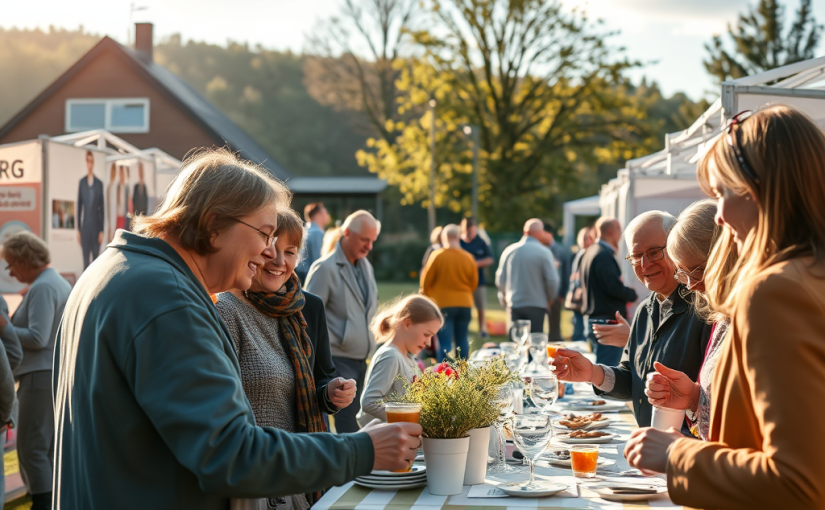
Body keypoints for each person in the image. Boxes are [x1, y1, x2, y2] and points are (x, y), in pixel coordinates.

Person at [53, 149, 421, 510]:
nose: (269, 253)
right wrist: (364, 449)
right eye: (264, 234)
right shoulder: (170, 301)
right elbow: (231, 455)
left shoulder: (114, 270)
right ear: (214, 227)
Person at [624, 106, 825, 509]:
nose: (720, 215)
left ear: (762, 190)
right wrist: (700, 398)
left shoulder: (775, 291)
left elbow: (799, 482)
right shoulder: (807, 276)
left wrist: (674, 455)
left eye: (722, 193)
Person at [217, 208, 356, 508]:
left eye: (290, 251)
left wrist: (331, 393)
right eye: (271, 249)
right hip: (259, 481)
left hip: (303, 472)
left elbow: (320, 379)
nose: (280, 261)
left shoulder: (305, 308)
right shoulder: (225, 310)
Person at [552, 211, 711, 427]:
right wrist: (592, 372)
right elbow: (632, 380)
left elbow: (717, 399)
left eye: (655, 252)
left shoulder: (705, 308)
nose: (645, 264)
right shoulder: (645, 309)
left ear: (676, 248)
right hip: (651, 447)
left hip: (686, 451)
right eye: (636, 256)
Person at [643, 199, 737, 441]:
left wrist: (680, 454)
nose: (692, 285)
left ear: (724, 259)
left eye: (696, 271)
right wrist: (694, 398)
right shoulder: (724, 316)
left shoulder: (758, 319)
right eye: (683, 274)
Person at [0, 231, 71, 509]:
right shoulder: (55, 282)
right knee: (46, 448)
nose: (11, 272)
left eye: (11, 264)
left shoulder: (43, 287)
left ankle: (43, 503)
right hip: (50, 374)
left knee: (31, 449)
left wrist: (5, 327)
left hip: (38, 376)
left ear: (24, 259)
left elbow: (38, 338)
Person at [306, 210, 380, 433]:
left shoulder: (366, 266)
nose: (369, 246)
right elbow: (307, 319)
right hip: (337, 361)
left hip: (360, 360)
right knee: (347, 425)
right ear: (347, 233)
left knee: (357, 423)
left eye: (372, 241)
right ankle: (350, 468)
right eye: (364, 240)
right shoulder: (324, 268)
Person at [358, 295, 443, 425]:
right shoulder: (391, 357)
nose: (428, 342)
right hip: (385, 440)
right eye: (426, 334)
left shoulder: (409, 358)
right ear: (408, 324)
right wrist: (409, 417)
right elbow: (370, 402)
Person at [578, 217, 637, 365]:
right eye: (619, 230)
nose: (620, 235)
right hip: (606, 321)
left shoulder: (591, 251)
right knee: (606, 373)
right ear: (611, 231)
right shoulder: (603, 254)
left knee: (602, 370)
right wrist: (631, 293)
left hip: (595, 318)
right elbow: (612, 287)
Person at [420, 224, 478, 361]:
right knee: (462, 338)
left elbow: (426, 281)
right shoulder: (468, 257)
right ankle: (463, 372)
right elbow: (474, 282)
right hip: (464, 303)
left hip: (443, 304)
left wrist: (426, 298)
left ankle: (444, 374)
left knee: (444, 341)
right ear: (459, 237)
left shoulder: (437, 255)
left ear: (443, 237)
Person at [495, 219, 559, 334]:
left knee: (516, 344)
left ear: (525, 231)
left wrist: (505, 299)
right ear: (540, 232)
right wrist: (549, 299)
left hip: (515, 304)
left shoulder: (510, 251)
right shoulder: (544, 252)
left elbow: (500, 280)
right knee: (535, 345)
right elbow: (552, 280)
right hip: (537, 305)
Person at [460, 217, 494, 338]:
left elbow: (490, 259)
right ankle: (464, 329)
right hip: (462, 281)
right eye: (469, 231)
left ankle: (481, 329)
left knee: (481, 306)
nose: (472, 234)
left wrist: (476, 263)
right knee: (463, 307)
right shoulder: (459, 242)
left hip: (479, 281)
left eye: (474, 231)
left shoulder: (481, 242)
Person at [542, 221, 571, 342]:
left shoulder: (561, 250)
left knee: (554, 322)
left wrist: (562, 293)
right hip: (540, 293)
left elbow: (566, 273)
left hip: (556, 292)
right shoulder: (540, 248)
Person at [77, 150, 104, 269]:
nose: (90, 163)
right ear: (86, 162)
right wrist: (78, 230)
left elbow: (102, 208)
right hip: (85, 228)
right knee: (85, 262)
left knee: (96, 262)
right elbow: (79, 207)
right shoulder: (82, 183)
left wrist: (102, 230)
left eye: (91, 161)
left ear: (93, 162)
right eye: (88, 161)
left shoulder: (99, 184)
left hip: (96, 228)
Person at [568, 227, 594, 341]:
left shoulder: (582, 253)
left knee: (579, 326)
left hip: (580, 295)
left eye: (588, 238)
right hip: (581, 296)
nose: (586, 241)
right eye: (584, 238)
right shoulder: (583, 253)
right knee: (580, 328)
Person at [295, 203, 329, 284]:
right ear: (318, 215)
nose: (327, 215)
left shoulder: (306, 231)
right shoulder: (316, 233)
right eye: (325, 213)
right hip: (310, 278)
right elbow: (318, 261)